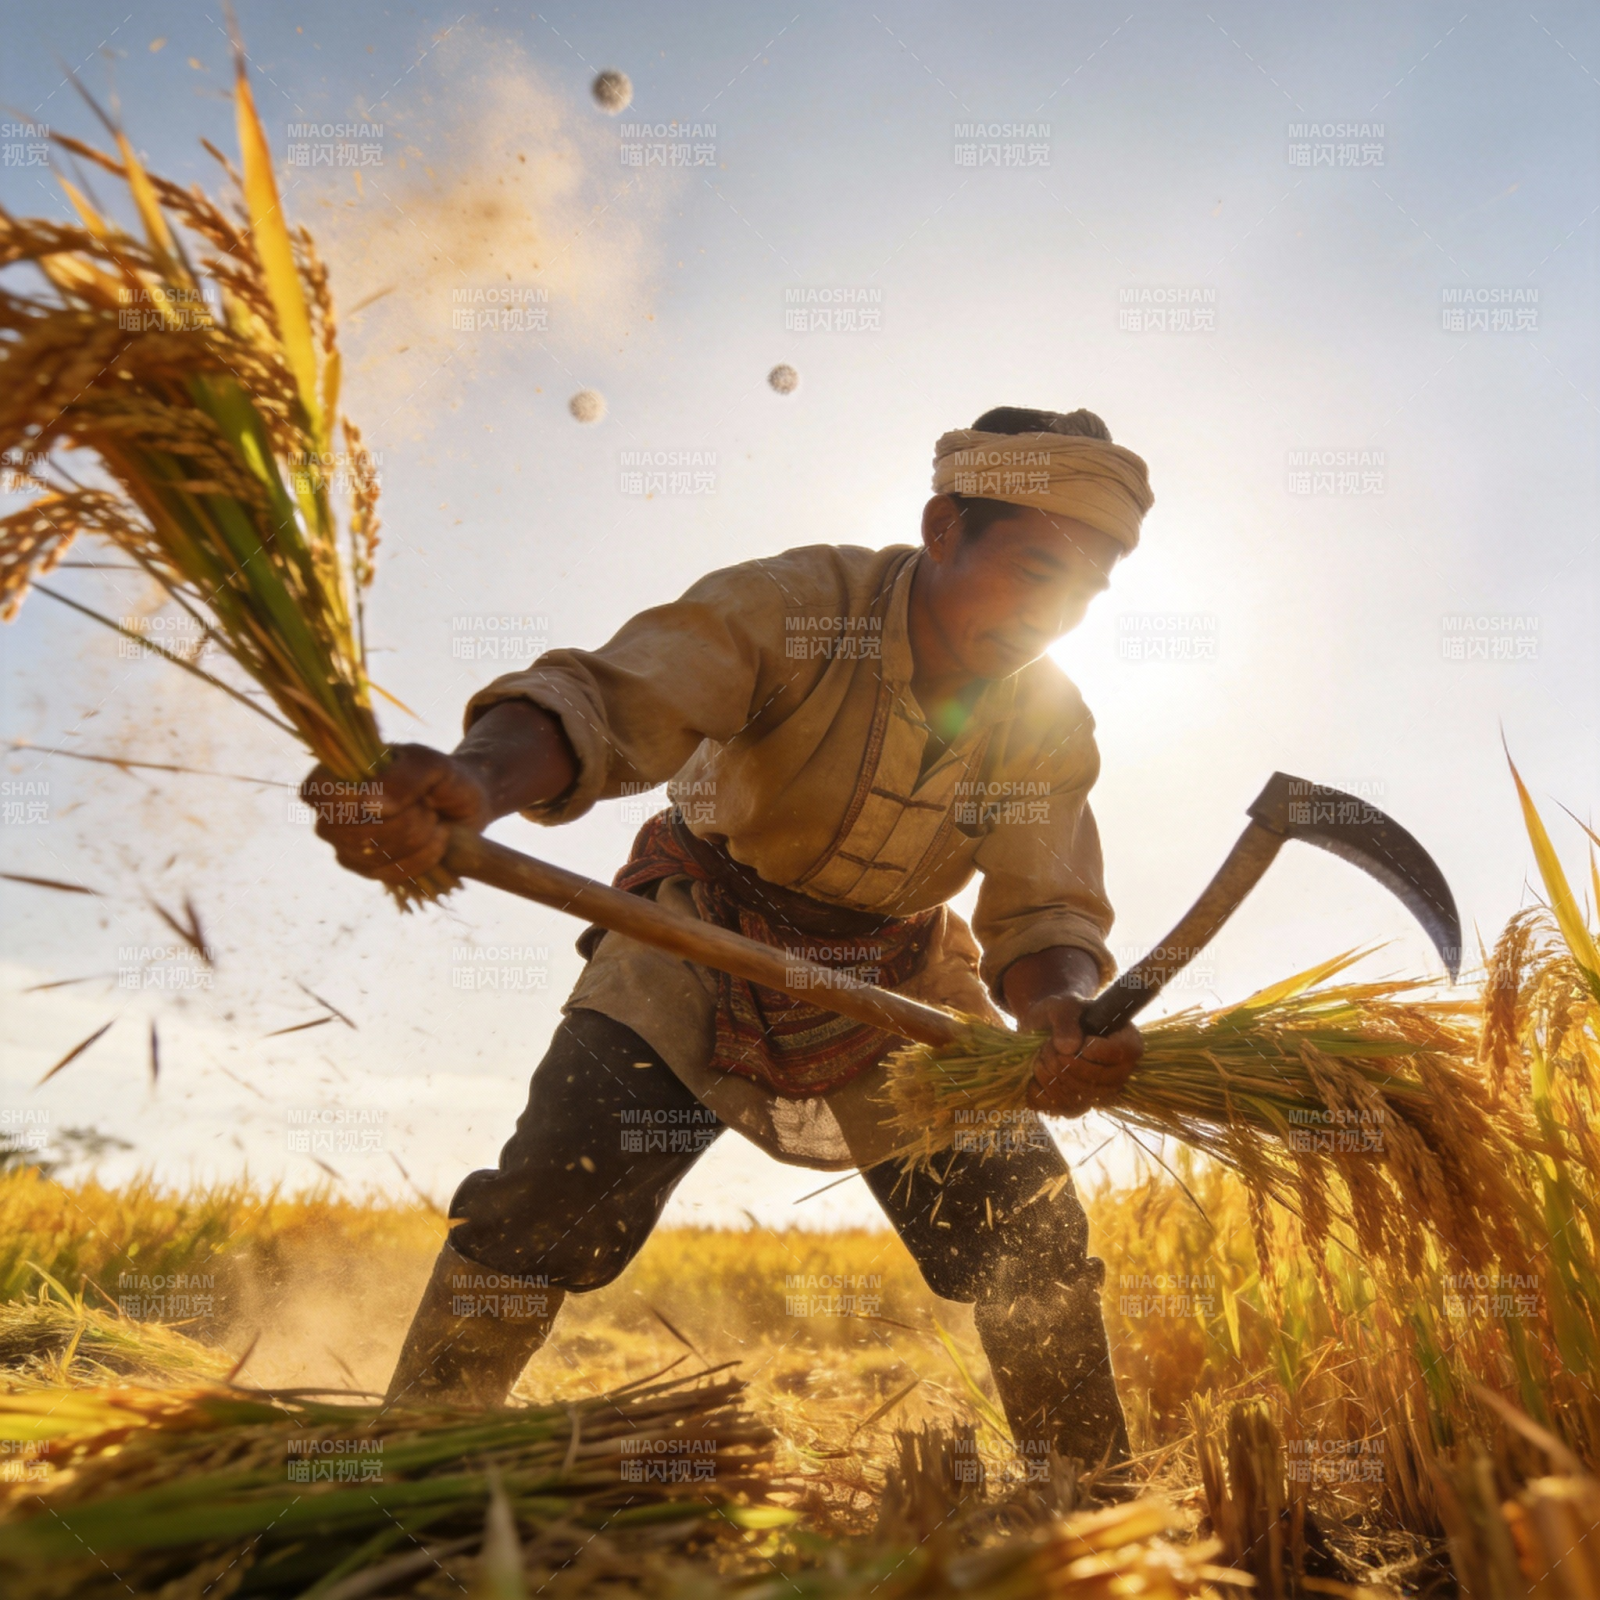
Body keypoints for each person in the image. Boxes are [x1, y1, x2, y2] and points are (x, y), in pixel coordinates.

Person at [303, 404, 1153, 1470]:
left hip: (900, 970)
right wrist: (475, 780)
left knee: (1025, 1229)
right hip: (701, 937)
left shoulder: (1048, 722)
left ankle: (1095, 1508)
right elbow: (608, 703)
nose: (1052, 615)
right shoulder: (795, 605)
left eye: (1084, 590)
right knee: (549, 1200)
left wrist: (1055, 1009)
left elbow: (1042, 912)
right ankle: (407, 1475)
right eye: (1032, 570)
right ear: (943, 526)